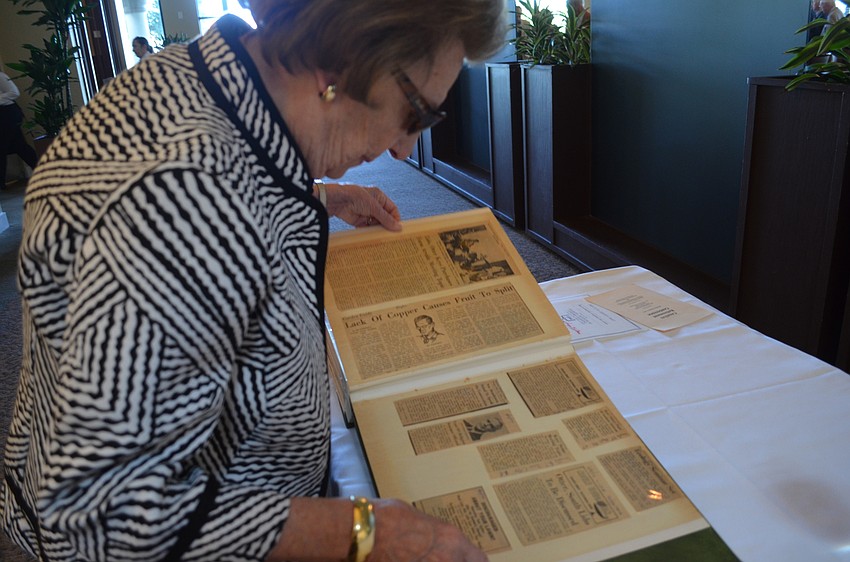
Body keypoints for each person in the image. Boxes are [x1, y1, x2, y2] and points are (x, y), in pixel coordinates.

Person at [0, 1, 506, 561]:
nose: (403, 147)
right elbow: (98, 517)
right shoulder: (188, 205)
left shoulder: (190, 77)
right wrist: (369, 533)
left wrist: (318, 195)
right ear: (342, 60)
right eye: (417, 113)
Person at [0, 71, 38, 188]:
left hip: (7, 114)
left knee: (4, 147)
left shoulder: (0, 76)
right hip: (5, 114)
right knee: (19, 146)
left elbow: (14, 92)